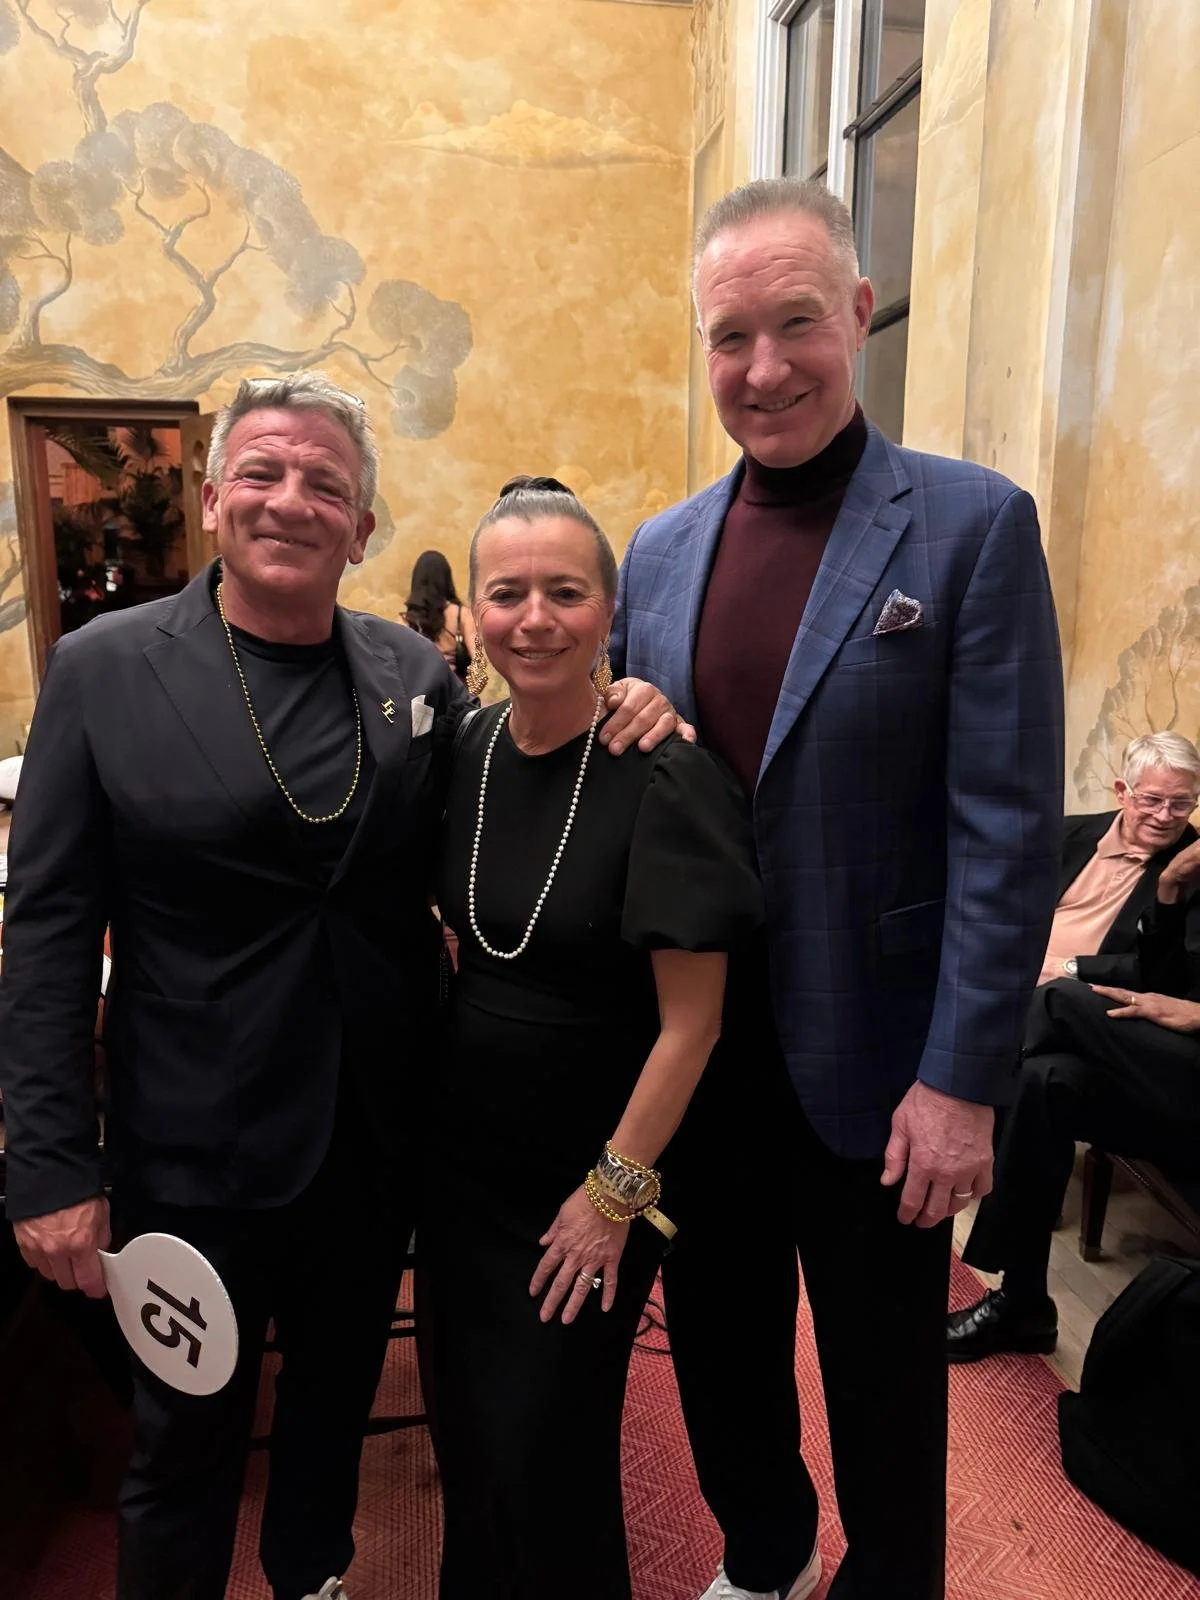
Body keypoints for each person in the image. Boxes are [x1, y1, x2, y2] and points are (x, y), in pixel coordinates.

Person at [0, 374, 677, 1600]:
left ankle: (314, 1578)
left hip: (374, 1145)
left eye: (328, 484)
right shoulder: (102, 671)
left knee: (325, 1419)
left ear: (361, 529)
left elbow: (518, 766)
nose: (292, 501)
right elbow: (47, 934)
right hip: (193, 1155)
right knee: (187, 1443)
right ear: (212, 498)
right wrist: (50, 1162)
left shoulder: (412, 675)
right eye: (262, 472)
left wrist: (620, 699)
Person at [609, 177, 1064, 1600]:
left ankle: (890, 1578)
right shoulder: (663, 550)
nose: (763, 368)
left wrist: (964, 1079)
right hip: (701, 1053)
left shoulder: (971, 527)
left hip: (881, 1064)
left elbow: (1004, 825)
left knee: (882, 1380)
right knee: (723, 1353)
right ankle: (763, 1549)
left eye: (795, 321)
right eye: (729, 336)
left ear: (858, 314)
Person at [423, 475, 762, 1600]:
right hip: (466, 1176)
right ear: (471, 612)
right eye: (507, 592)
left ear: (608, 612)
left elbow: (694, 1023)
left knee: (546, 1452)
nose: (534, 617)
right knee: (471, 1443)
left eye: (564, 592)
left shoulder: (661, 773)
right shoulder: (465, 752)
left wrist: (612, 1198)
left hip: (593, 1177)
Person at [949, 831, 1200, 1362]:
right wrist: (1172, 888)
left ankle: (955, 1095)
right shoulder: (1181, 865)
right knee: (1045, 1080)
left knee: (1059, 1000)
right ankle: (1023, 1306)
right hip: (1173, 1065)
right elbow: (1164, 976)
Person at [1034, 732, 1200, 993]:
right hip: (1012, 975)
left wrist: (1067, 968)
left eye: (1181, 803)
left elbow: (1171, 969)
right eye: (1152, 800)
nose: (1165, 816)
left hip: (1085, 999)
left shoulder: (1189, 870)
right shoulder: (1065, 835)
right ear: (1123, 792)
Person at [401, 548, 476, 682]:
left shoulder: (405, 621)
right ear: (446, 579)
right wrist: (471, 691)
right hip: (456, 693)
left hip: (420, 696)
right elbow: (478, 659)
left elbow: (399, 666)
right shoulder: (462, 615)